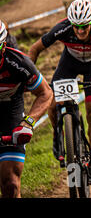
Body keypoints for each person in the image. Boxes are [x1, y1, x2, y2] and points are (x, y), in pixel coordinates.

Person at [28, 0, 91, 185]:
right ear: (70, 23)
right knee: (51, 104)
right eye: (76, 26)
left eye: (84, 26)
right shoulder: (62, 28)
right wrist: (28, 76)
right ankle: (58, 135)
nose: (80, 31)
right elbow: (35, 49)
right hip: (69, 63)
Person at [0, 20, 53, 198]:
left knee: (11, 184)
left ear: (3, 46)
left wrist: (28, 123)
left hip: (10, 113)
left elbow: (45, 93)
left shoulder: (18, 62)